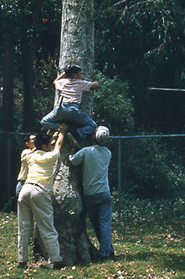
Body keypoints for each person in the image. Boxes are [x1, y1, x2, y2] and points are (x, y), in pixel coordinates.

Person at [17, 124, 67, 269]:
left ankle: (22, 259)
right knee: (47, 227)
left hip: (25, 190)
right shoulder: (50, 156)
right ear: (45, 146)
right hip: (40, 191)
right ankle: (56, 260)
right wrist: (62, 133)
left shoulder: (30, 155)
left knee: (24, 227)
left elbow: (45, 145)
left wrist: (47, 138)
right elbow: (58, 145)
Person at [67, 126, 115, 260]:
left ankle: (105, 251)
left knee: (97, 225)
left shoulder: (86, 152)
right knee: (105, 224)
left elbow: (71, 161)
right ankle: (107, 250)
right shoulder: (107, 153)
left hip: (90, 195)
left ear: (94, 137)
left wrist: (72, 149)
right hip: (104, 193)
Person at [40, 65, 99, 140]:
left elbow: (55, 82)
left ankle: (61, 127)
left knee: (43, 122)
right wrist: (83, 79)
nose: (80, 75)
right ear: (74, 74)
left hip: (61, 109)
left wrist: (64, 74)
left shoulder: (63, 82)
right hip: (73, 110)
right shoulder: (80, 83)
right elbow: (95, 85)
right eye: (79, 73)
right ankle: (77, 132)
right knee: (93, 125)